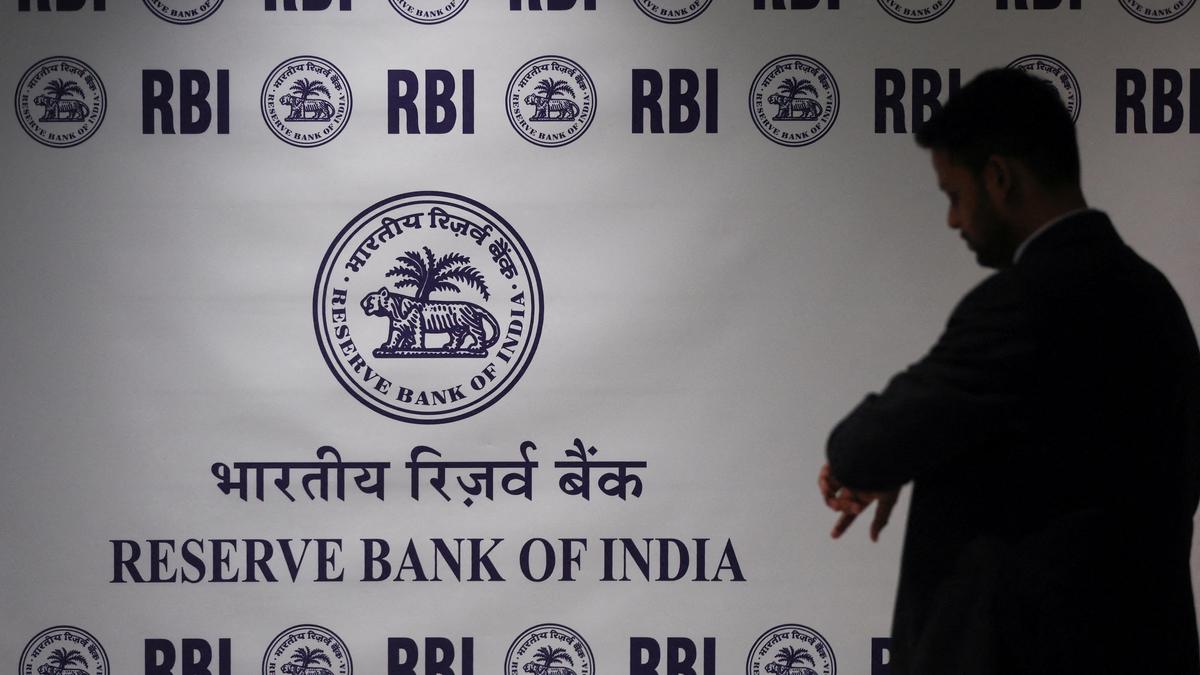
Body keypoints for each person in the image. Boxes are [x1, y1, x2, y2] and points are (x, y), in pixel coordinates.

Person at [820, 68, 1200, 674]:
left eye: (954, 195)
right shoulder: (1155, 298)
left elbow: (862, 449)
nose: (953, 220)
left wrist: (895, 457)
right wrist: (920, 451)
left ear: (999, 177)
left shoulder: (1025, 302)